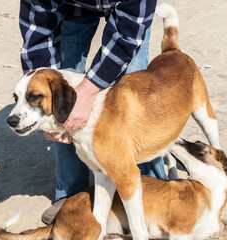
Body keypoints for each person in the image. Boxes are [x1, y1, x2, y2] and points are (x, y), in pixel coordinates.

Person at [19, 0, 167, 224]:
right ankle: (72, 194)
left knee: (134, 83)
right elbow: (37, 33)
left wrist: (87, 92)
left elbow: (127, 36)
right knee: (63, 89)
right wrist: (49, 118)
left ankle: (152, 186)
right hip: (70, 7)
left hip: (127, 10)